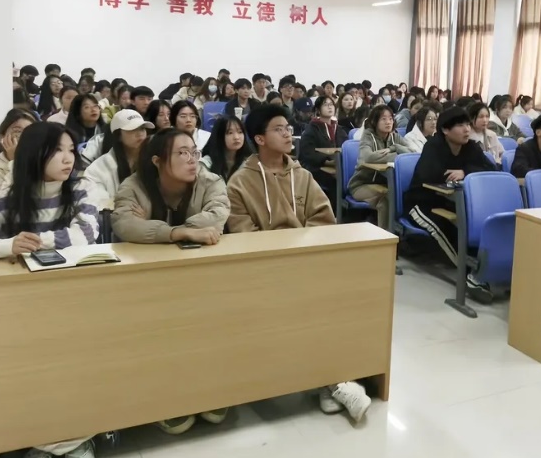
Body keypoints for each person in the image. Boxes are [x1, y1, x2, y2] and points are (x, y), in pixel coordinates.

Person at [0, 122, 100, 458]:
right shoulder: (7, 198)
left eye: (72, 150)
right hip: (23, 303)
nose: (69, 159)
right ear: (34, 154)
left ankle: (78, 438)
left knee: (76, 369)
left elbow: (86, 234)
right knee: (34, 374)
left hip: (71, 297)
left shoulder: (80, 188)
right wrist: (8, 244)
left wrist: (31, 243)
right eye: (58, 151)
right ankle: (39, 444)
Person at [225, 105, 372, 422]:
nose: (288, 133)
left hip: (305, 264)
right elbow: (243, 236)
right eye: (279, 129)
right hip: (263, 271)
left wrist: (302, 255)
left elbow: (324, 219)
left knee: (344, 299)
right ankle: (334, 383)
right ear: (259, 138)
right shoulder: (239, 183)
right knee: (304, 308)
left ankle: (332, 379)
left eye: (288, 128)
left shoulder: (302, 176)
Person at [111, 128, 229, 435]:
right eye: (182, 153)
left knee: (208, 329)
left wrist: (155, 229)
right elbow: (124, 223)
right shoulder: (134, 185)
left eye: (194, 152)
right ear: (157, 160)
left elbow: (218, 213)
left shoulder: (210, 181)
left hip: (200, 277)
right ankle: (165, 399)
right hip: (148, 281)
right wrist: (178, 232)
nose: (192, 159)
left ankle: (210, 390)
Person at [404, 107, 497, 299]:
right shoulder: (433, 146)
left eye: (468, 125)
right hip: (422, 203)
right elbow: (429, 177)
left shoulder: (470, 147)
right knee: (444, 230)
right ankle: (470, 274)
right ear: (446, 130)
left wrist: (465, 171)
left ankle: (482, 268)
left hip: (452, 203)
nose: (467, 129)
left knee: (470, 228)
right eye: (460, 125)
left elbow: (492, 169)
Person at [348, 105, 408, 228]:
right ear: (375, 121)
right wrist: (396, 156)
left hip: (385, 184)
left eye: (390, 118)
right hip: (362, 184)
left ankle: (399, 235)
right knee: (386, 200)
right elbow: (367, 157)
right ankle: (386, 236)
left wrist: (394, 148)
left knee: (403, 195)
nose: (388, 122)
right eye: (383, 119)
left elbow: (411, 153)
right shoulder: (367, 136)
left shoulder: (394, 136)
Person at [84, 109, 153, 210]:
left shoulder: (154, 159)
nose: (140, 134)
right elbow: (99, 204)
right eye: (132, 129)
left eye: (142, 128)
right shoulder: (98, 169)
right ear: (118, 135)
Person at [0, 109, 38, 196]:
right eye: (18, 131)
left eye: (30, 132)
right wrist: (15, 161)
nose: (24, 136)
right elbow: (4, 199)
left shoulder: (42, 161)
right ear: (2, 137)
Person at [298, 96, 347, 202]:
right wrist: (326, 160)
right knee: (334, 181)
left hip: (337, 166)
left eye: (331, 104)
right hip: (316, 167)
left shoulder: (339, 129)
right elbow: (307, 153)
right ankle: (334, 210)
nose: (330, 107)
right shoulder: (312, 129)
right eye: (325, 104)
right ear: (318, 110)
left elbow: (346, 148)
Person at [200, 115, 252, 181]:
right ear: (219, 136)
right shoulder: (207, 164)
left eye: (240, 132)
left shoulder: (249, 163)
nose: (236, 137)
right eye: (230, 133)